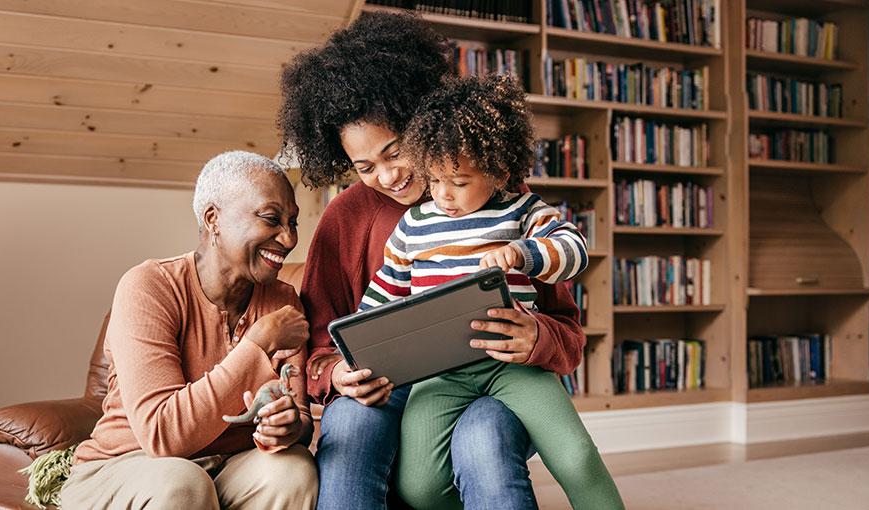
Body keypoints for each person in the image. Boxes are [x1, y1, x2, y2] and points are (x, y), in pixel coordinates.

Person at [279, 11, 602, 509]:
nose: (387, 176)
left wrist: (537, 337)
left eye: (396, 152)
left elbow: (565, 326)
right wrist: (335, 374)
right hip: (392, 386)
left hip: (496, 373)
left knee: (484, 440)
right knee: (349, 425)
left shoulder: (496, 198)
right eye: (365, 167)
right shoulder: (344, 218)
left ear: (421, 123)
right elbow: (324, 343)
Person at [357, 73, 622, 510]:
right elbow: (383, 295)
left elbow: (574, 251)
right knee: (419, 488)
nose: (443, 194)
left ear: (498, 171)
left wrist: (523, 254)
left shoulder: (523, 210)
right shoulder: (413, 226)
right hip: (440, 373)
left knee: (576, 458)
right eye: (435, 178)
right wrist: (362, 352)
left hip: (513, 366)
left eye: (459, 182)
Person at [59, 151, 318, 509]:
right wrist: (257, 344)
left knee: (293, 471)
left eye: (293, 223)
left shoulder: (282, 300)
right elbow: (163, 435)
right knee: (183, 483)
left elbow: (301, 418)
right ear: (213, 218)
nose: (289, 239)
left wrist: (289, 426)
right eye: (272, 219)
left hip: (228, 466)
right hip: (128, 466)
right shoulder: (149, 286)